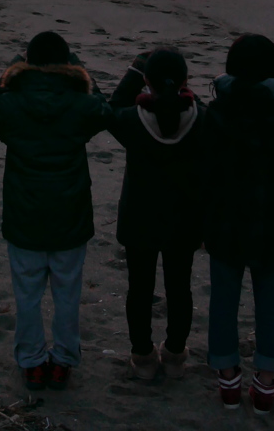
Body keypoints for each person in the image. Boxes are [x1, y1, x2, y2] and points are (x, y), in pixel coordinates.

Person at [0, 31, 112, 389]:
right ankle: (64, 358)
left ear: (26, 65)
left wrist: (9, 74)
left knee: (27, 293)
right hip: (70, 210)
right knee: (67, 291)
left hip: (25, 209)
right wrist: (79, 71)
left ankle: (33, 360)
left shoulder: (12, 103)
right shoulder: (81, 104)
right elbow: (103, 108)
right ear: (68, 65)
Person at [204, 34, 274, 414]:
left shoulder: (217, 112)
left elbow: (208, 173)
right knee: (270, 303)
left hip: (226, 223)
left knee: (223, 300)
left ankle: (228, 379)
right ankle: (265, 384)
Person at [108, 49, 205, 381]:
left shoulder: (133, 121)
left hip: (139, 217)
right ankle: (175, 354)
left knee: (140, 288)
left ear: (147, 81)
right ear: (185, 82)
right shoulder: (201, 118)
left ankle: (143, 354)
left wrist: (136, 70)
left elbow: (111, 108)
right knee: (180, 287)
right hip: (184, 218)